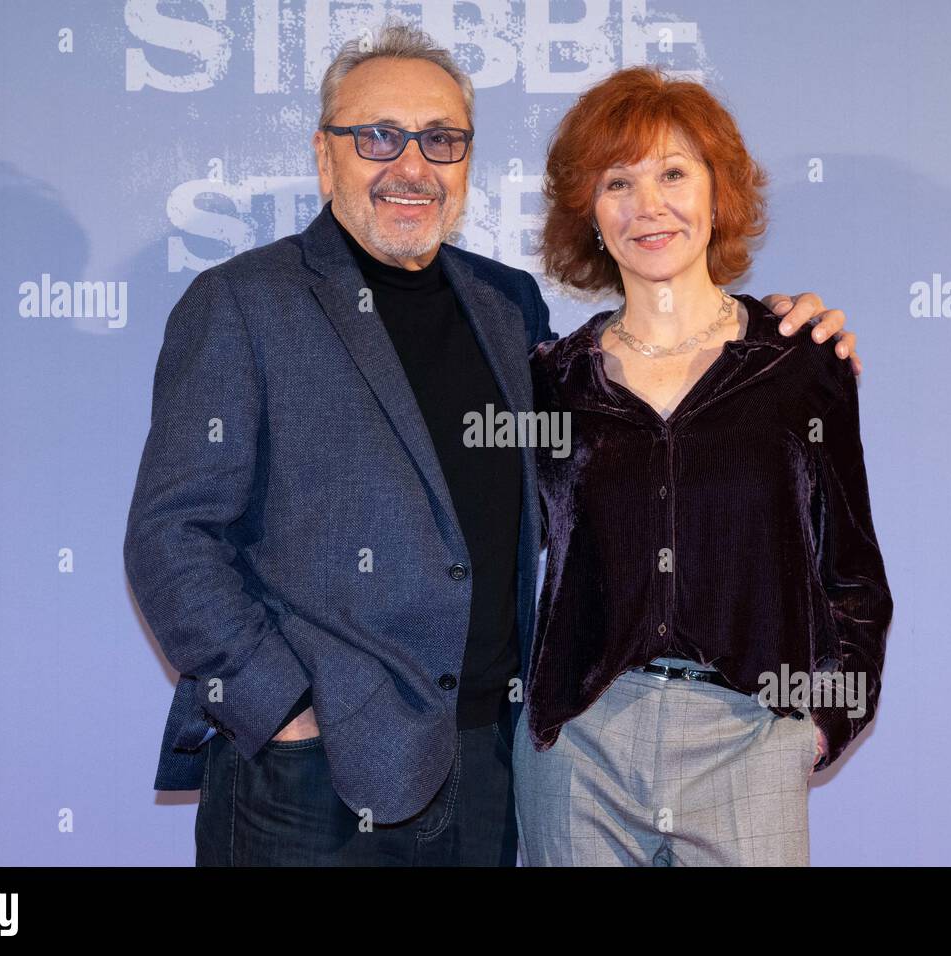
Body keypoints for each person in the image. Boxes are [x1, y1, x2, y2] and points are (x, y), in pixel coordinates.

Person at [124, 22, 860, 867]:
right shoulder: (244, 304)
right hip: (312, 780)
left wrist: (792, 329)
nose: (411, 165)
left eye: (441, 140)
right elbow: (169, 536)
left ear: (467, 163)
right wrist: (287, 713)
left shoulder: (510, 310)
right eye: (377, 137)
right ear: (325, 158)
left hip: (491, 771)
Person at [513, 66, 895, 866]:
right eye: (619, 181)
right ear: (590, 212)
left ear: (718, 194)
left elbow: (852, 575)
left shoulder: (801, 364)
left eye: (674, 173)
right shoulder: (549, 381)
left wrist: (822, 721)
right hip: (582, 747)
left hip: (750, 735)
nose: (649, 205)